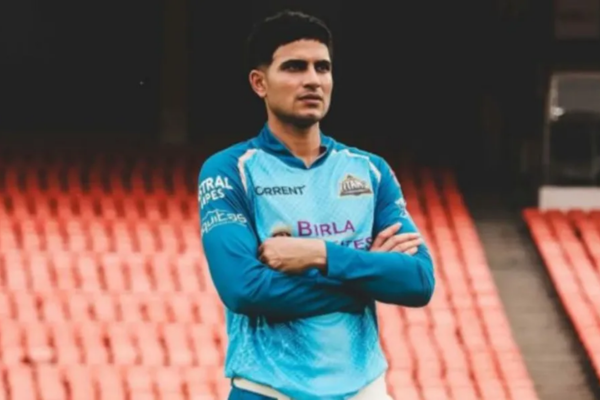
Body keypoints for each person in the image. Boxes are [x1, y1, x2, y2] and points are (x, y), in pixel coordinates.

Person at [198, 10, 435, 400]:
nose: (312, 79)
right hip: (267, 390)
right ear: (259, 83)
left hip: (365, 390)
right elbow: (245, 290)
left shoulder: (370, 170)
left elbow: (418, 281)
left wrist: (319, 254)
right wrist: (367, 278)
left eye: (322, 67)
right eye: (294, 67)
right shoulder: (229, 169)